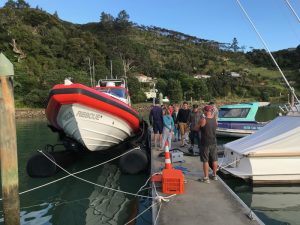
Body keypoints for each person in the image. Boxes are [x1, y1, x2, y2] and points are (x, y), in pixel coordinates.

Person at [196, 105, 218, 184]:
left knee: (205, 160)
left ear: (205, 111)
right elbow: (216, 125)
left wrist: (199, 121)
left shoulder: (203, 119)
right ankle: (215, 175)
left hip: (205, 143)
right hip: (213, 141)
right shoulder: (214, 118)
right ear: (211, 111)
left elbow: (196, 128)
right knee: (214, 159)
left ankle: (206, 178)